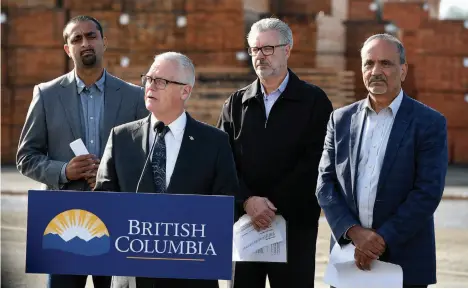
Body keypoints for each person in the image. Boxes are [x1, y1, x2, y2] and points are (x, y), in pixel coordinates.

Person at [16, 15, 148, 288]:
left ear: (104, 42)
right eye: (76, 39)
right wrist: (65, 170)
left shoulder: (134, 96)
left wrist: (111, 175)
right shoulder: (46, 95)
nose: (85, 43)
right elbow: (26, 157)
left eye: (91, 36)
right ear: (68, 49)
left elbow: (148, 157)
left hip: (117, 222)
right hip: (62, 223)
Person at [94, 52, 239, 288]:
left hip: (193, 275)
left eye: (161, 81)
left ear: (185, 91)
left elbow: (228, 204)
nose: (151, 86)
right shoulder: (121, 137)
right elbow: (103, 198)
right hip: (135, 273)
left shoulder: (214, 142)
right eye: (149, 79)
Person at [316, 33, 448, 288]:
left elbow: (428, 191)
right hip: (348, 259)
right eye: (369, 63)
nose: (376, 71)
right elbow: (325, 183)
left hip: (402, 261)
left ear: (403, 70)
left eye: (386, 63)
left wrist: (379, 241)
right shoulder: (340, 120)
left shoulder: (429, 123)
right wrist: (354, 232)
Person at [217, 18, 333, 288]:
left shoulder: (314, 101)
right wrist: (248, 201)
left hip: (294, 228)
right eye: (255, 49)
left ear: (287, 50)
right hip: (246, 227)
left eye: (268, 48)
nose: (260, 56)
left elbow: (316, 163)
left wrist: (270, 206)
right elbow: (223, 161)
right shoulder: (235, 103)